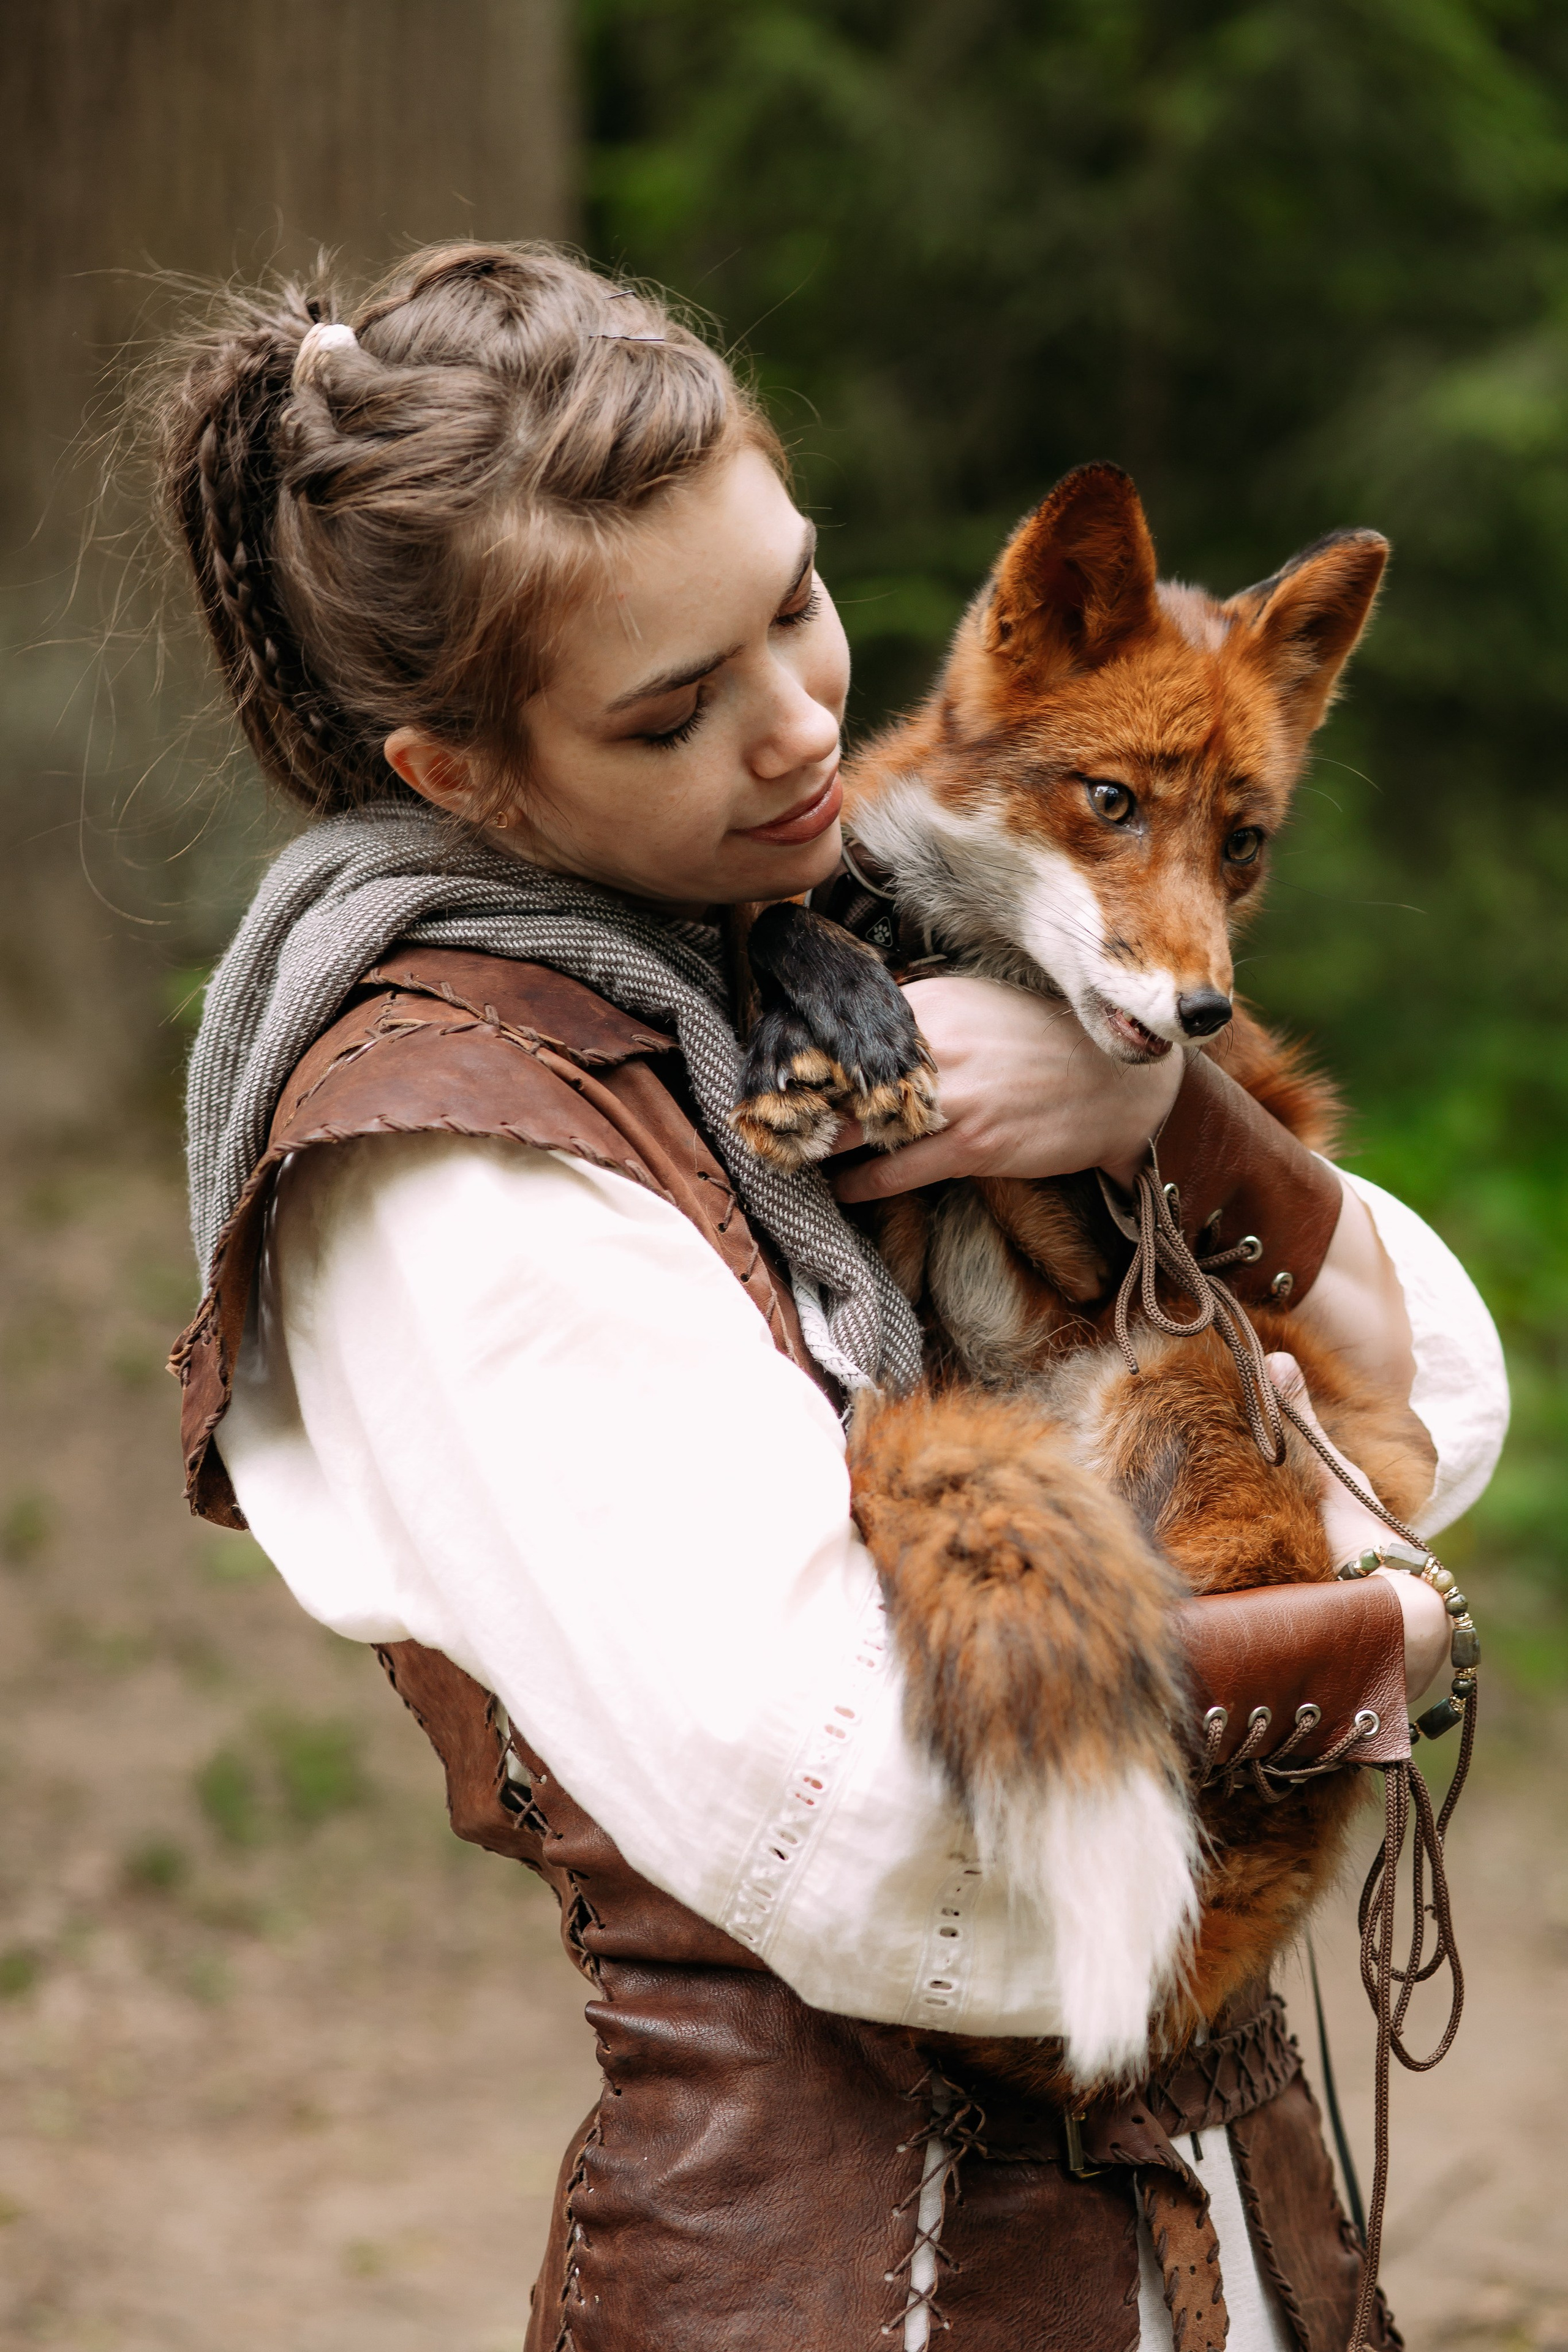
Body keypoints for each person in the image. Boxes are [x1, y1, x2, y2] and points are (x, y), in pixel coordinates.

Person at [157, 242, 1505, 2352]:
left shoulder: (868, 922)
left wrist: (1158, 1119)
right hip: (862, 2284)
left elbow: (1436, 1366)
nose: (804, 730)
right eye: (672, 709)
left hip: (1204, 2233)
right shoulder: (457, 1149)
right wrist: (1374, 1639)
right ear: (463, 778)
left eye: (793, 603)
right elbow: (896, 1855)